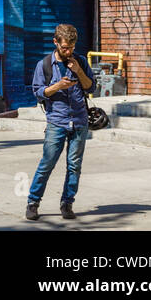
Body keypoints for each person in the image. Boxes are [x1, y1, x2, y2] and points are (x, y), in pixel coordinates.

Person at [26, 24, 94, 222]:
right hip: (57, 121)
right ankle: (33, 202)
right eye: (65, 48)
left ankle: (67, 203)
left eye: (71, 47)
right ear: (55, 43)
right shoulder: (45, 65)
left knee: (74, 166)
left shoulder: (79, 60)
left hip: (79, 121)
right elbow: (38, 93)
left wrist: (79, 71)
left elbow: (91, 87)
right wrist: (58, 86)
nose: (68, 51)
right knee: (47, 163)